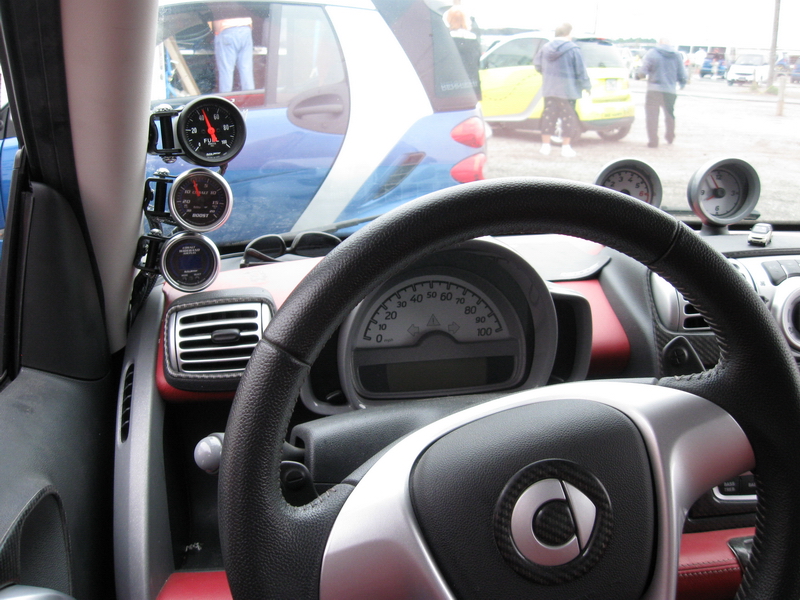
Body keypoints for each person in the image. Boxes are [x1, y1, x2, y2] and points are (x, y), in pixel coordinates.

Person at [533, 23, 591, 158]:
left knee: (548, 116)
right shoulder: (573, 49)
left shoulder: (545, 48)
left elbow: (537, 65)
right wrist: (586, 86)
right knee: (568, 118)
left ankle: (545, 146)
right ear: (568, 33)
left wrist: (548, 75)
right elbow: (580, 70)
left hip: (550, 88)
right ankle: (566, 148)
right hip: (568, 90)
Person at [639, 38, 687, 148]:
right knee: (669, 114)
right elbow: (682, 73)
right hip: (670, 90)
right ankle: (670, 136)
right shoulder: (677, 55)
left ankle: (653, 141)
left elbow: (643, 71)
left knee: (652, 116)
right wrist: (682, 83)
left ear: (659, 43)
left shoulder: (652, 53)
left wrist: (639, 75)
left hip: (654, 90)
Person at [444, 6, 482, 99]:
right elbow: (477, 62)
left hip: (453, 86)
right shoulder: (474, 39)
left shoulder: (447, 39)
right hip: (472, 85)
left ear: (449, 20)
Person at [213, 17, 254, 93]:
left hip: (227, 30)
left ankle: (225, 98)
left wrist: (217, 35)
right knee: (246, 69)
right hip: (246, 29)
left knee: (226, 70)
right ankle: (250, 97)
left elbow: (217, 22)